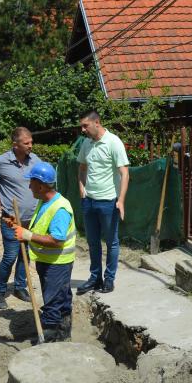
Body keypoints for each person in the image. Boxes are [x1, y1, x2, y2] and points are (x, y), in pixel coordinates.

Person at [6, 162, 75, 342]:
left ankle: (50, 340)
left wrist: (27, 235)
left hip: (57, 264)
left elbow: (57, 240)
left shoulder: (59, 208)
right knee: (62, 298)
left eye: (32, 183)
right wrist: (19, 226)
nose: (29, 186)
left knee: (52, 302)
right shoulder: (44, 202)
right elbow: (40, 226)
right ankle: (64, 333)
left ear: (42, 185)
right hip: (49, 262)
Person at [0, 126, 41, 309]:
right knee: (11, 256)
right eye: (26, 143)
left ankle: (20, 287)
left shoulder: (34, 160)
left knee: (25, 255)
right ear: (15, 145)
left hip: (31, 219)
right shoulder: (2, 161)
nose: (31, 145)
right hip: (11, 219)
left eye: (31, 142)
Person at [75, 110, 129, 295]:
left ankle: (109, 279)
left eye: (85, 126)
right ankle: (95, 278)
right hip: (89, 202)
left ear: (96, 122)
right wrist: (82, 189)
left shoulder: (113, 142)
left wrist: (120, 200)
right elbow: (82, 167)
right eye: (81, 126)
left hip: (108, 202)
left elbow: (124, 173)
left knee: (111, 242)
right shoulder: (86, 143)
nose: (83, 130)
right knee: (92, 242)